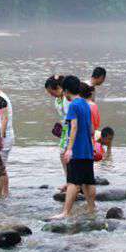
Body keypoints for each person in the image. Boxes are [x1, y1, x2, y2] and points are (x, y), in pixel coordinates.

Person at [51, 75, 96, 220]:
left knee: (72, 183)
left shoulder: (73, 106)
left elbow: (74, 127)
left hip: (77, 150)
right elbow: (91, 128)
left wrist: (69, 149)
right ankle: (91, 208)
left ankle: (66, 212)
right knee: (88, 181)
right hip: (87, 149)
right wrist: (92, 144)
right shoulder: (85, 103)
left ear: (66, 90)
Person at [45, 75, 69, 191]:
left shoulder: (67, 98)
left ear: (59, 87)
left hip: (71, 129)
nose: (51, 94)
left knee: (68, 155)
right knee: (62, 155)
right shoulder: (58, 99)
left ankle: (73, 182)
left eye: (51, 91)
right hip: (65, 129)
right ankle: (69, 180)